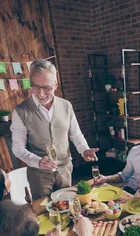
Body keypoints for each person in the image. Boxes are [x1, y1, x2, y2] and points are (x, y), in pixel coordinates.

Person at [11, 59, 99, 199]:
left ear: (55, 85)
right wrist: (37, 161)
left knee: (67, 206)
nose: (40, 94)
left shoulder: (66, 106)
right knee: (43, 211)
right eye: (35, 86)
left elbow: (75, 135)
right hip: (38, 174)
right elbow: (17, 148)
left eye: (46, 87)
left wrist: (84, 149)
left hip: (65, 169)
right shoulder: (20, 111)